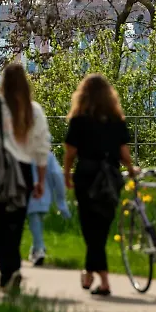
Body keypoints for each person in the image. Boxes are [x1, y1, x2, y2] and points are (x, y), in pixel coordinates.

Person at [0, 62, 51, 292]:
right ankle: (12, 270)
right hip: (23, 172)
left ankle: (8, 272)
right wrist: (41, 180)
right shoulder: (33, 111)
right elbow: (42, 147)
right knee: (15, 223)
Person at [63, 73, 137, 297]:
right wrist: (132, 171)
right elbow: (124, 153)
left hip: (87, 175)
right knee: (102, 228)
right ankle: (89, 273)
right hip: (111, 177)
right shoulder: (116, 120)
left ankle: (102, 279)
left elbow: (70, 152)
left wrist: (67, 174)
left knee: (89, 228)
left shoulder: (79, 120)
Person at [27, 152, 71, 266]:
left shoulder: (26, 151)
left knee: (34, 221)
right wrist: (61, 200)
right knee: (38, 222)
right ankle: (36, 247)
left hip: (32, 194)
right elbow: (57, 175)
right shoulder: (48, 155)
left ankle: (39, 248)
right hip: (45, 196)